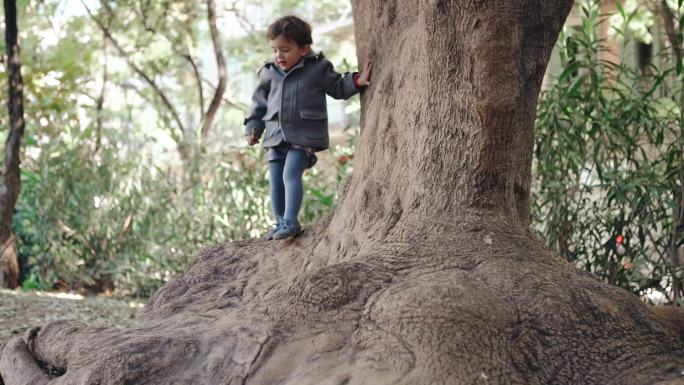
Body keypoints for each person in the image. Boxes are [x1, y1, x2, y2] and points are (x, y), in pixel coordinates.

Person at [244, 15, 372, 240]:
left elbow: (336, 86)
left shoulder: (316, 68)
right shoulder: (268, 73)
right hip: (275, 136)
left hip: (303, 135)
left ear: (304, 49)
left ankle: (291, 220)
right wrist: (253, 127)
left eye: (285, 49)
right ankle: (280, 222)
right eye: (275, 50)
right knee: (275, 180)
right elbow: (259, 105)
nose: (278, 56)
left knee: (290, 173)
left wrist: (355, 81)